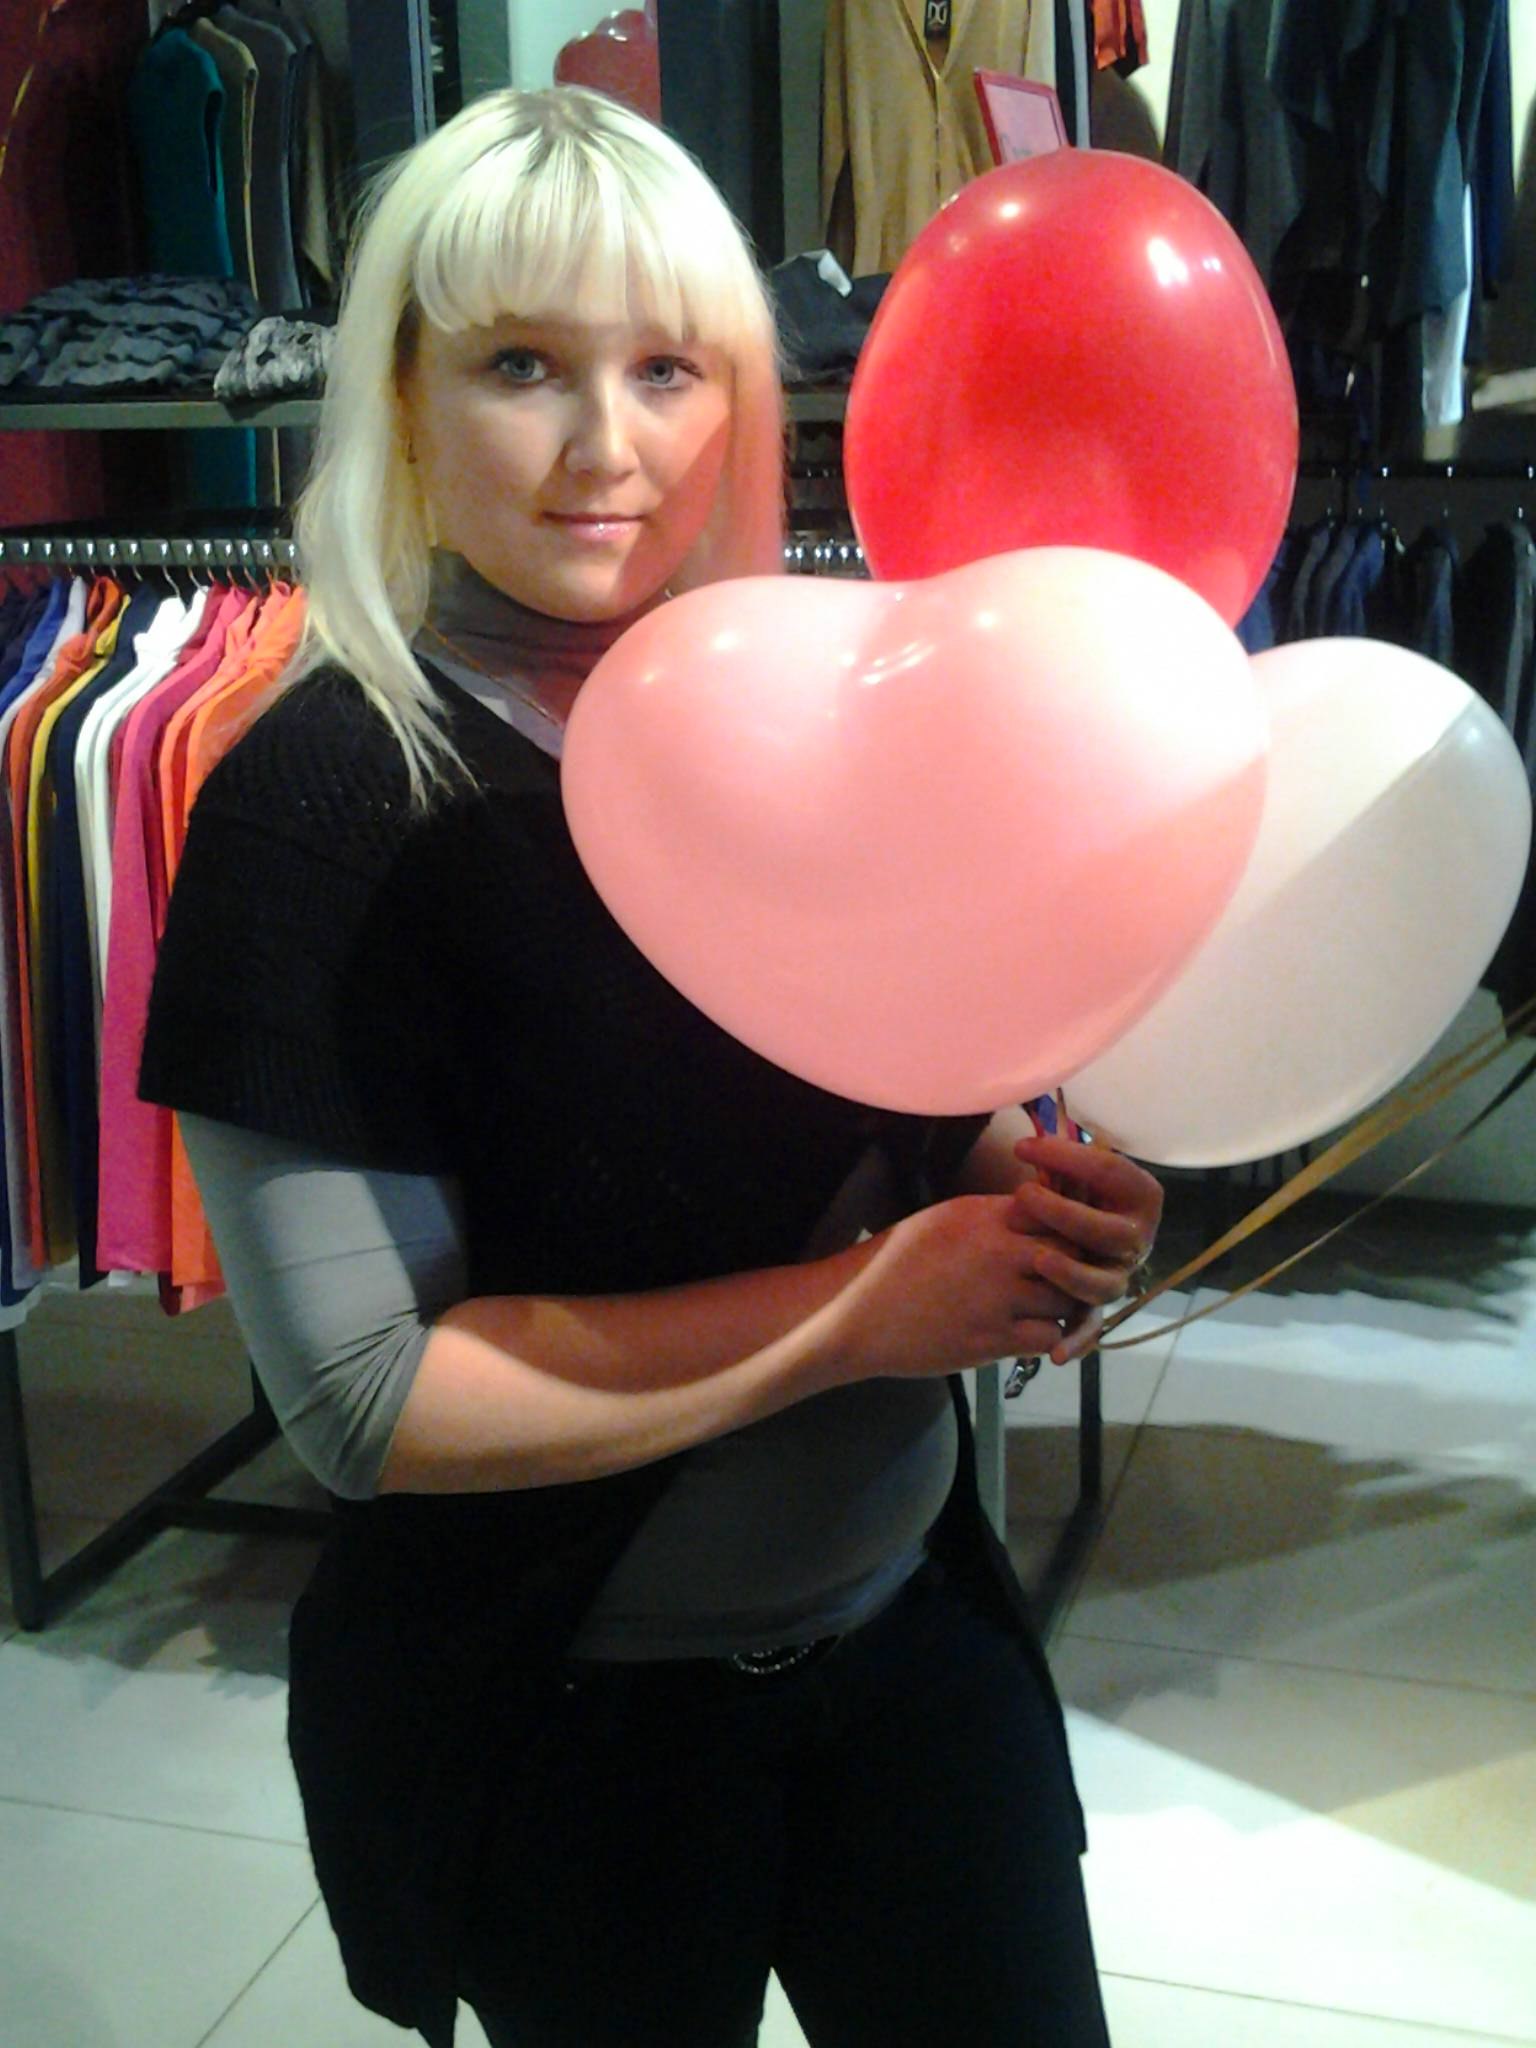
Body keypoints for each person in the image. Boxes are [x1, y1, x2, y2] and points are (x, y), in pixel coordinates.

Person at [139, 86, 1163, 2048]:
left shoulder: (814, 708)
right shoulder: (328, 807)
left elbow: (904, 1096)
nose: (607, 446)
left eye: (668, 368)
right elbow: (364, 1397)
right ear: (408, 392)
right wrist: (864, 1315)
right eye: (523, 364)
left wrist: (1024, 1201)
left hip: (912, 1635)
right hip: (572, 1733)